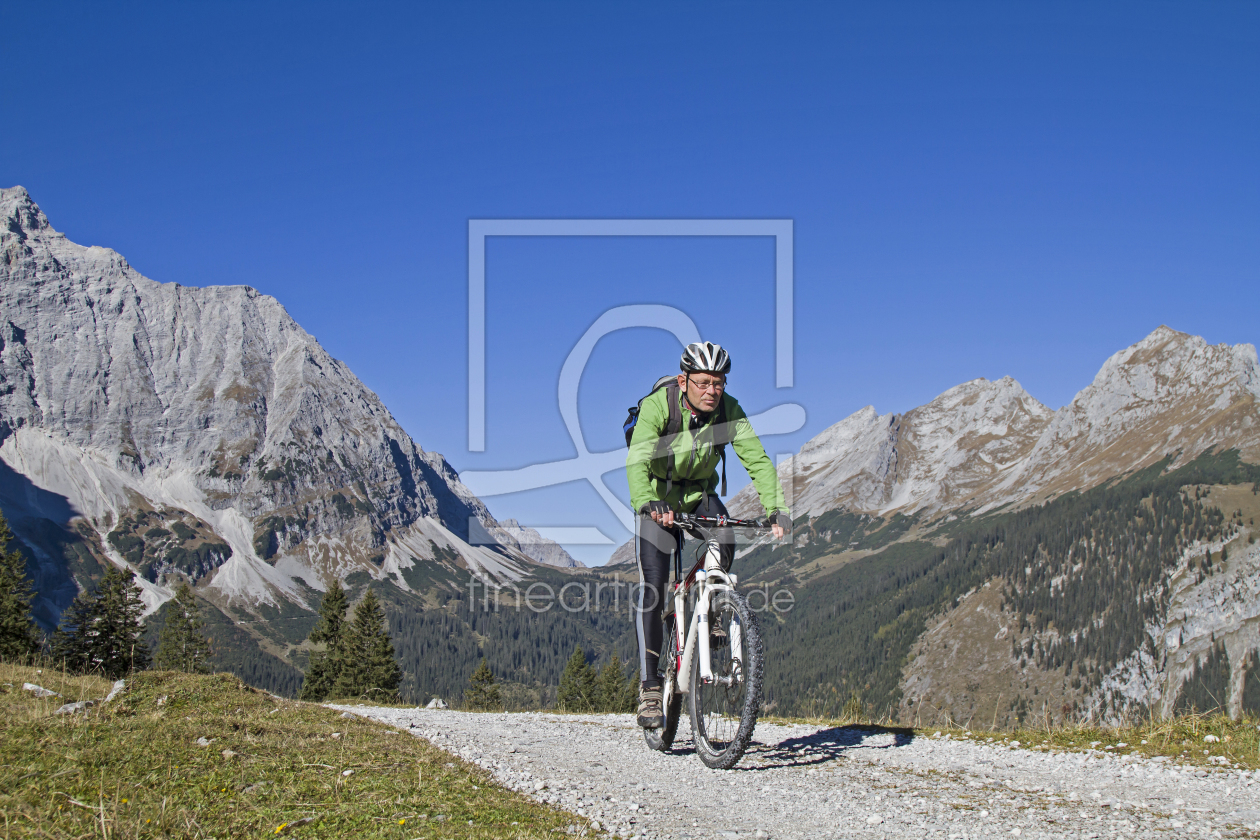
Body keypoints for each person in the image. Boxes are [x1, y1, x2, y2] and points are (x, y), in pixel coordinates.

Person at [625, 341, 790, 728]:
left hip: (699, 497)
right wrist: (648, 503)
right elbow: (638, 459)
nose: (712, 391)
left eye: (719, 382)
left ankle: (711, 603)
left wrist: (777, 508)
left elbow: (757, 459)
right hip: (659, 501)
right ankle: (650, 689)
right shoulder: (659, 407)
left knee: (726, 535)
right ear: (684, 381)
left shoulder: (729, 411)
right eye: (703, 382)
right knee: (653, 586)